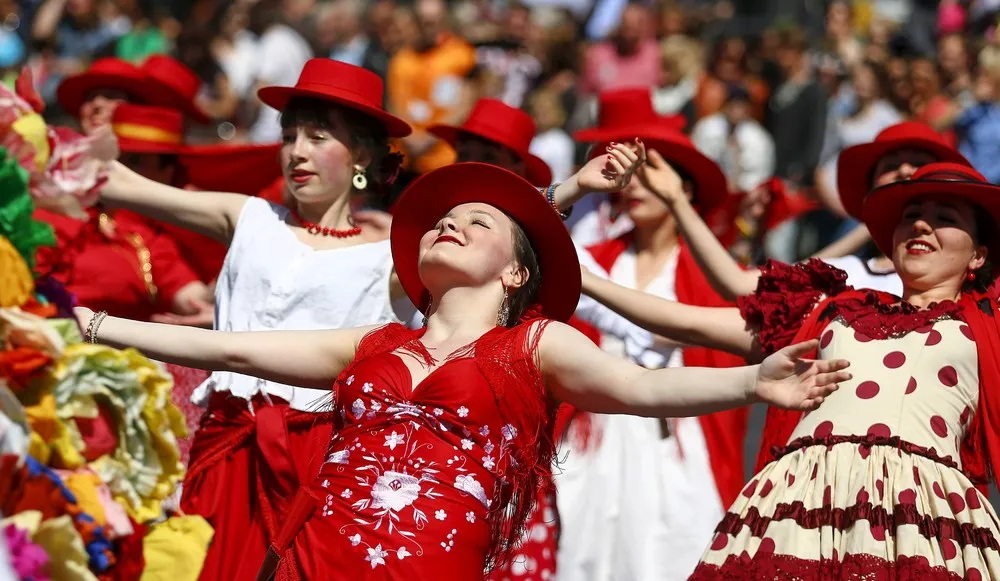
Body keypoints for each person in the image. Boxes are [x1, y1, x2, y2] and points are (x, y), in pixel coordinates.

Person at [73, 162, 850, 580]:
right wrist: (96, 326)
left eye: (479, 221)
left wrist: (751, 383)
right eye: (445, 218)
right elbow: (234, 349)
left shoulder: (537, 344)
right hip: (315, 559)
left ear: (515, 272)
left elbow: (642, 388)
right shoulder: (374, 342)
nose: (451, 221)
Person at [577, 160, 1000, 578]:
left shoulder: (987, 325)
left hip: (914, 521)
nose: (921, 225)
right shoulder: (830, 312)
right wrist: (587, 281)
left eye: (945, 218)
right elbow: (688, 321)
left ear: (978, 256)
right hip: (803, 511)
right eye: (911, 216)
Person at [89, 58, 419, 580]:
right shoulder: (251, 217)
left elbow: (486, 233)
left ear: (361, 154)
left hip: (320, 461)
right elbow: (128, 186)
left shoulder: (389, 259)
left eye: (317, 137)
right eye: (289, 137)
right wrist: (56, 138)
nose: (297, 151)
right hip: (226, 445)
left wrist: (558, 195)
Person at [556, 117, 749, 581]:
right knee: (582, 547)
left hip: (675, 435)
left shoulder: (710, 271)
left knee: (673, 548)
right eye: (629, 174)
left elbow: (734, 336)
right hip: (595, 429)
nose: (634, 185)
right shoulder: (596, 255)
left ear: (682, 187)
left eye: (649, 173)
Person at [650, 121, 971, 302]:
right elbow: (740, 285)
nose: (905, 171)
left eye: (919, 164)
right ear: (871, 188)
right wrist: (677, 201)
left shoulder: (974, 277)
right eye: (891, 166)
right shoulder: (847, 275)